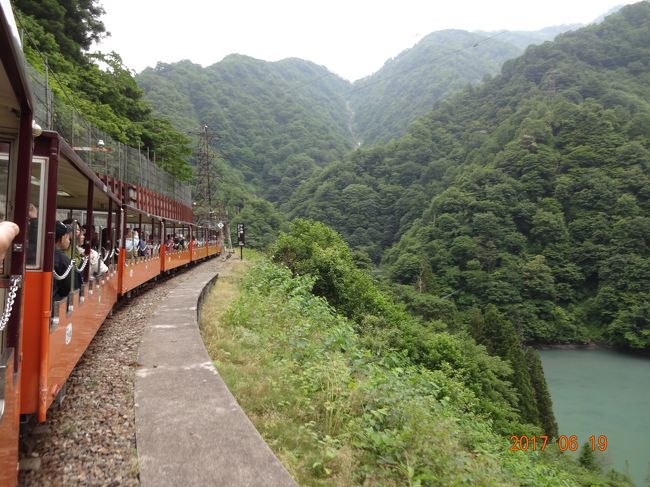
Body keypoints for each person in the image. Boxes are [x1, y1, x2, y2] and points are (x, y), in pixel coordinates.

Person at [53, 221, 81, 301]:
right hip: (56, 300)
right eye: (68, 238)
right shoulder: (62, 259)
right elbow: (72, 285)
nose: (69, 241)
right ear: (62, 238)